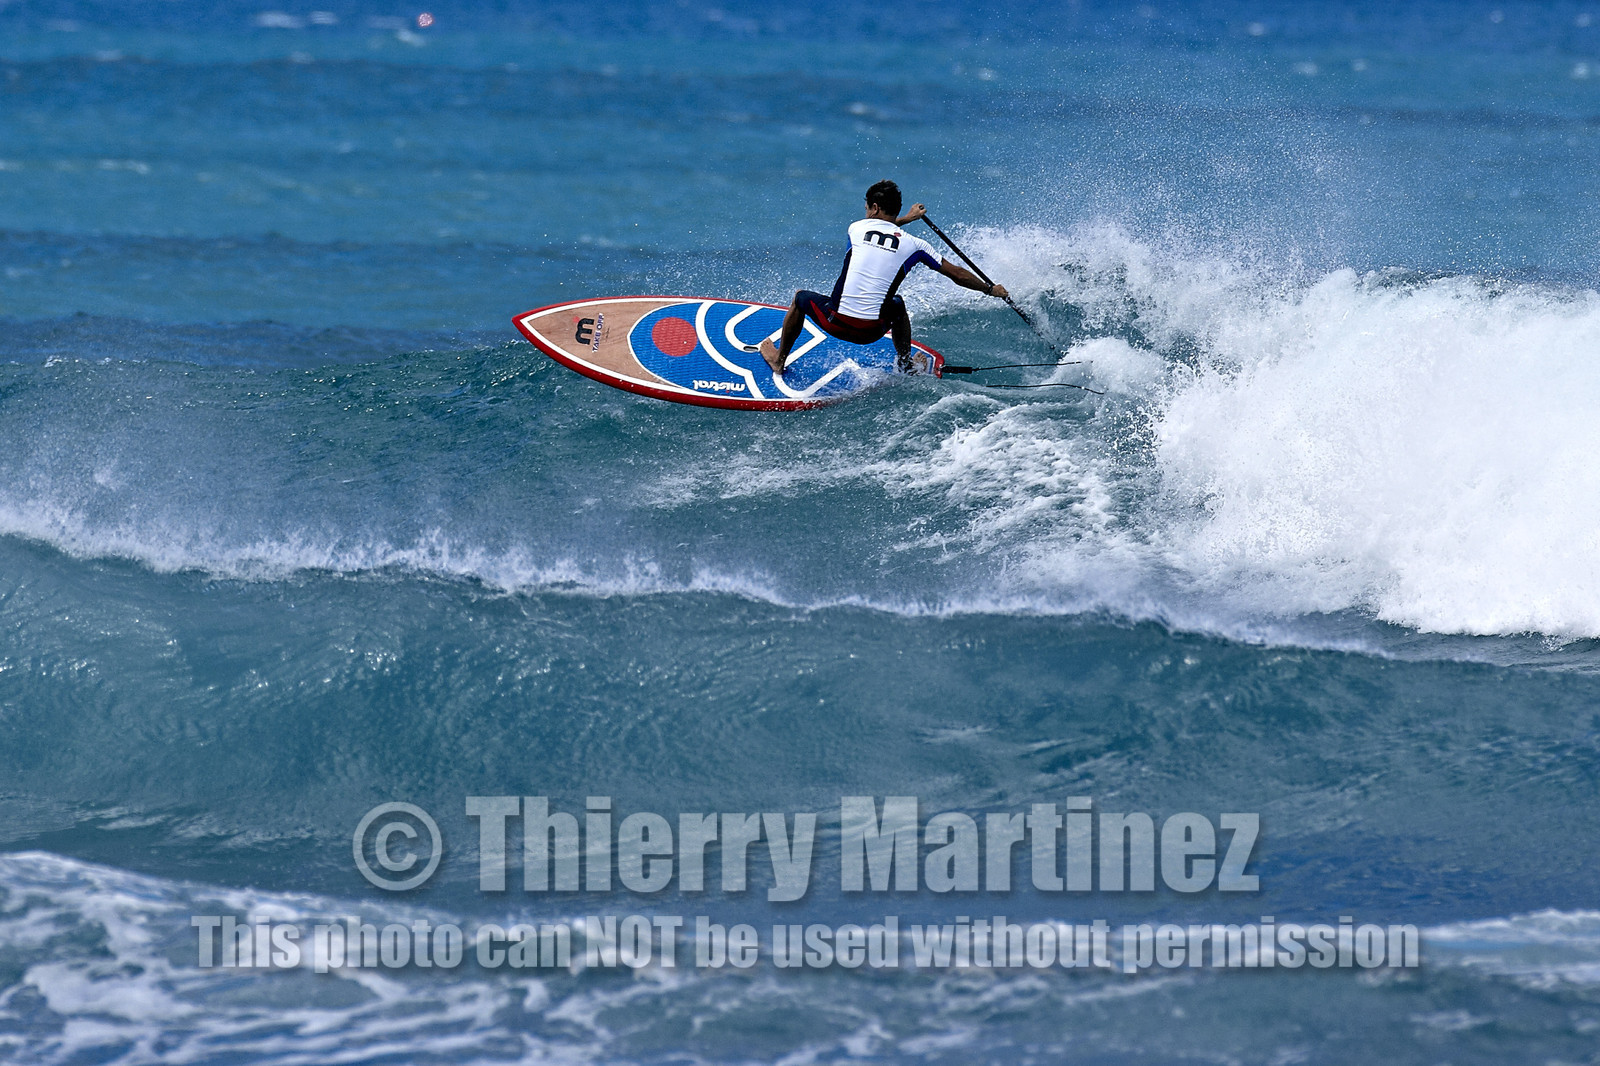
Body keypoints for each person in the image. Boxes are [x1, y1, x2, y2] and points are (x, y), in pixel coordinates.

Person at [760, 180, 1009, 375]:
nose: (866, 212)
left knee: (800, 298)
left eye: (868, 207)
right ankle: (905, 365)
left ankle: (779, 361)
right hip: (872, 332)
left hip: (834, 323)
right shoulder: (917, 245)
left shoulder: (856, 228)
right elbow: (956, 274)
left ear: (875, 208)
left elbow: (881, 230)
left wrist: (904, 220)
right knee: (897, 305)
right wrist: (990, 289)